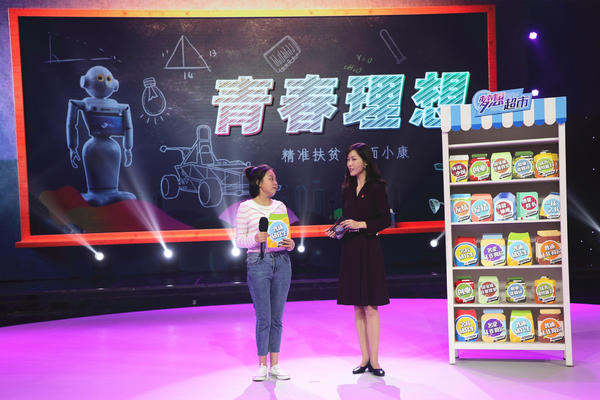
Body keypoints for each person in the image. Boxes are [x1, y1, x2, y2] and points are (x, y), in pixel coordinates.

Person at [326, 143, 391, 377]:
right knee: (357, 306)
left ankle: (375, 361)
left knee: (371, 306)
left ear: (365, 161)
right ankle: (364, 358)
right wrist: (337, 228)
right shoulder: (347, 187)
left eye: (353, 159)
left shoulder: (377, 187)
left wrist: (361, 224)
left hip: (369, 248)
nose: (350, 164)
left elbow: (384, 220)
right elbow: (347, 216)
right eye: (347, 160)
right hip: (351, 249)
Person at [235, 164, 295, 382]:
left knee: (277, 317)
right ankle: (262, 364)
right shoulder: (245, 208)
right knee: (264, 318)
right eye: (271, 178)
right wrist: (255, 238)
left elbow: (285, 236)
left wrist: (290, 244)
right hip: (258, 261)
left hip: (282, 261)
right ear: (259, 183)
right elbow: (239, 240)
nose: (275, 183)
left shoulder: (280, 206)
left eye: (275, 178)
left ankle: (275, 364)